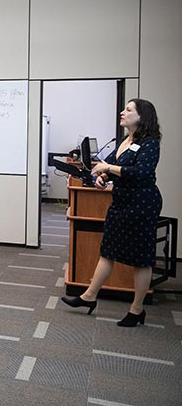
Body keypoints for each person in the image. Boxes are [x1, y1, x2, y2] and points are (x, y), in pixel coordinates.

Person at [61, 99, 163, 327]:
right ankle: (89, 296)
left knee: (141, 258)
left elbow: (140, 171)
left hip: (142, 204)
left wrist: (108, 169)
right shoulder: (125, 141)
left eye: (128, 110)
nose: (122, 112)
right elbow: (108, 166)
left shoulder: (150, 143)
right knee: (108, 250)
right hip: (121, 202)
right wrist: (101, 177)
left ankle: (137, 310)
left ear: (142, 116)